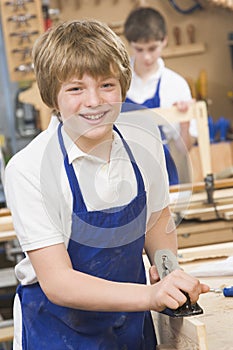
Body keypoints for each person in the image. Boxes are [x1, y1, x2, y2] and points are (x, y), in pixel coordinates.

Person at [4, 19, 209, 350]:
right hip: (57, 331)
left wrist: (168, 274)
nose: (94, 101)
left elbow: (157, 221)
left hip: (130, 325)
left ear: (123, 87)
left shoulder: (144, 143)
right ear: (52, 97)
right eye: (75, 88)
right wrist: (150, 294)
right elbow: (59, 283)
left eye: (107, 85)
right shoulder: (28, 169)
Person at [123, 6, 195, 184]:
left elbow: (184, 148)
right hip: (125, 173)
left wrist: (185, 124)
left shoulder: (176, 85)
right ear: (130, 45)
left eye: (152, 48)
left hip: (164, 174)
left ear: (164, 40)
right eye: (139, 50)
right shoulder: (118, 82)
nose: (147, 57)